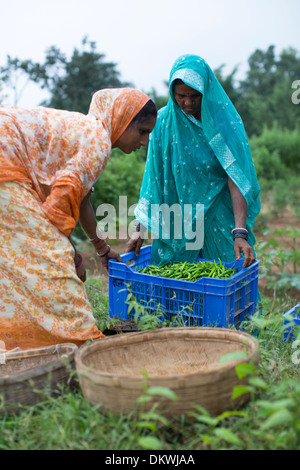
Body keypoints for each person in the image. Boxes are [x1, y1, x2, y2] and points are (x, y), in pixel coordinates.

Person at [0, 88, 157, 350]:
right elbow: (58, 209)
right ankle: (83, 342)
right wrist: (72, 256)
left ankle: (26, 342)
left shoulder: (87, 131)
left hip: (8, 160)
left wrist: (102, 249)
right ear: (122, 119)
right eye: (142, 132)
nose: (144, 142)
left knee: (17, 261)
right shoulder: (97, 141)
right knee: (50, 260)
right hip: (6, 161)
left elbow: (81, 200)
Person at [127, 55, 261, 269]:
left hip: (218, 219)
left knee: (226, 278)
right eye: (181, 95)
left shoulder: (221, 125)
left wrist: (239, 232)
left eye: (194, 96)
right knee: (175, 289)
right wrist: (139, 230)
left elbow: (235, 178)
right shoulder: (162, 123)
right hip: (177, 222)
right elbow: (154, 179)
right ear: (172, 92)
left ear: (205, 92)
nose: (187, 102)